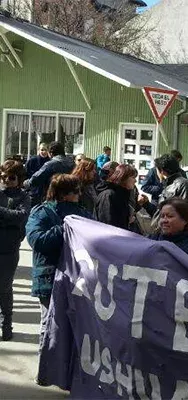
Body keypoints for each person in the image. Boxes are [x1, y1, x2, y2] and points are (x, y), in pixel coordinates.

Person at [26, 174, 90, 365]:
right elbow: (37, 240)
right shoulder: (42, 212)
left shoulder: (83, 213)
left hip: (77, 279)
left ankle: (65, 371)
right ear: (64, 194)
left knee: (73, 326)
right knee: (50, 325)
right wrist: (65, 226)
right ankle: (45, 369)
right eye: (76, 191)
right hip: (48, 278)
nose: (79, 195)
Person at [0, 160, 31, 341]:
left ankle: (7, 324)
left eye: (11, 177)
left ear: (19, 179)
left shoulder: (23, 197)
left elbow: (20, 217)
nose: (6, 180)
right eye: (3, 177)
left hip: (9, 249)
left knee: (4, 288)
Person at [150, 198, 188, 267]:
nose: (164, 220)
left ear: (185, 220)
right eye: (162, 216)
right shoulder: (151, 239)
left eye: (170, 216)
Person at [25, 141, 75, 206]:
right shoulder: (72, 163)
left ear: (50, 153)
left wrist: (26, 183)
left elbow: (35, 179)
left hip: (53, 198)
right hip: (70, 196)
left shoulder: (51, 164)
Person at [94, 164, 137, 230]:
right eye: (133, 177)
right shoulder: (108, 195)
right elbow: (106, 223)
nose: (135, 181)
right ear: (123, 177)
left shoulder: (123, 193)